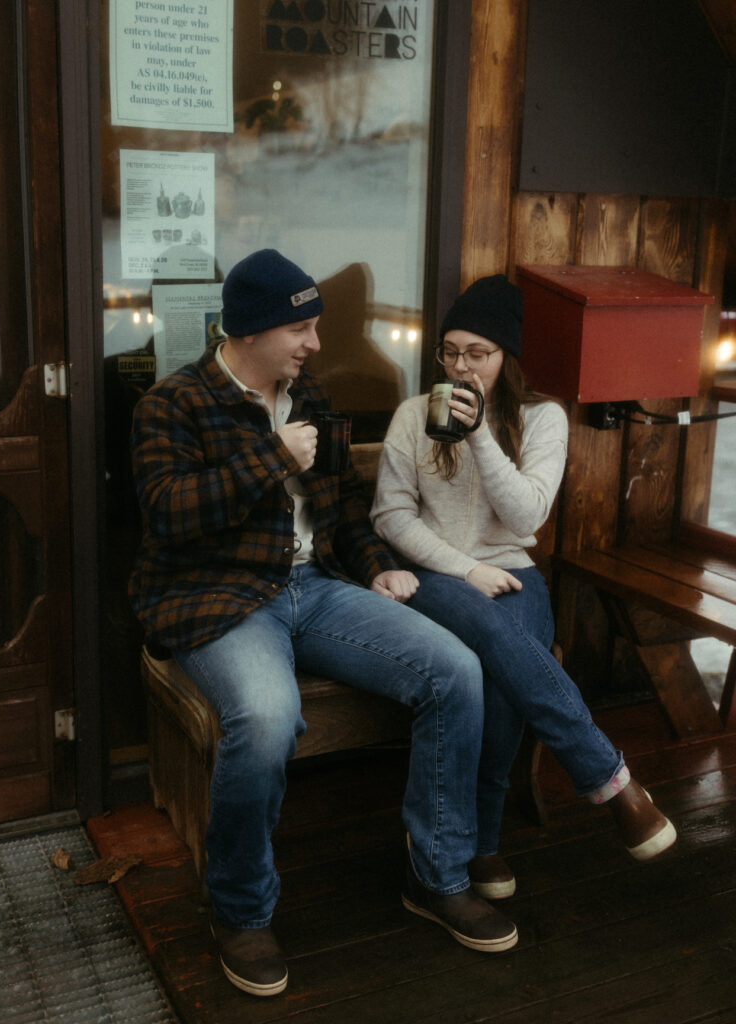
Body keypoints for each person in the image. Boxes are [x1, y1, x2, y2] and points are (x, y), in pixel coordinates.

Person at [129, 250, 518, 999]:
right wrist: (269, 458)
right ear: (251, 330)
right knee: (269, 717)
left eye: (315, 327)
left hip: (320, 588)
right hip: (222, 598)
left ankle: (434, 876)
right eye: (301, 328)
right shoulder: (172, 405)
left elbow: (340, 508)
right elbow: (170, 516)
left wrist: (374, 565)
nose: (313, 343)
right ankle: (241, 911)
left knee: (455, 670)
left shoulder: (312, 395)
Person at [371, 274, 677, 901]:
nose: (459, 365)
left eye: (475, 354)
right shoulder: (412, 415)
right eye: (449, 352)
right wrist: (465, 569)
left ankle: (482, 842)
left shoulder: (544, 419)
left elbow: (527, 516)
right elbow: (391, 518)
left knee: (503, 680)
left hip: (515, 574)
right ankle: (612, 781)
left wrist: (480, 434)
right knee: (492, 634)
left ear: (505, 356)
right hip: (433, 576)